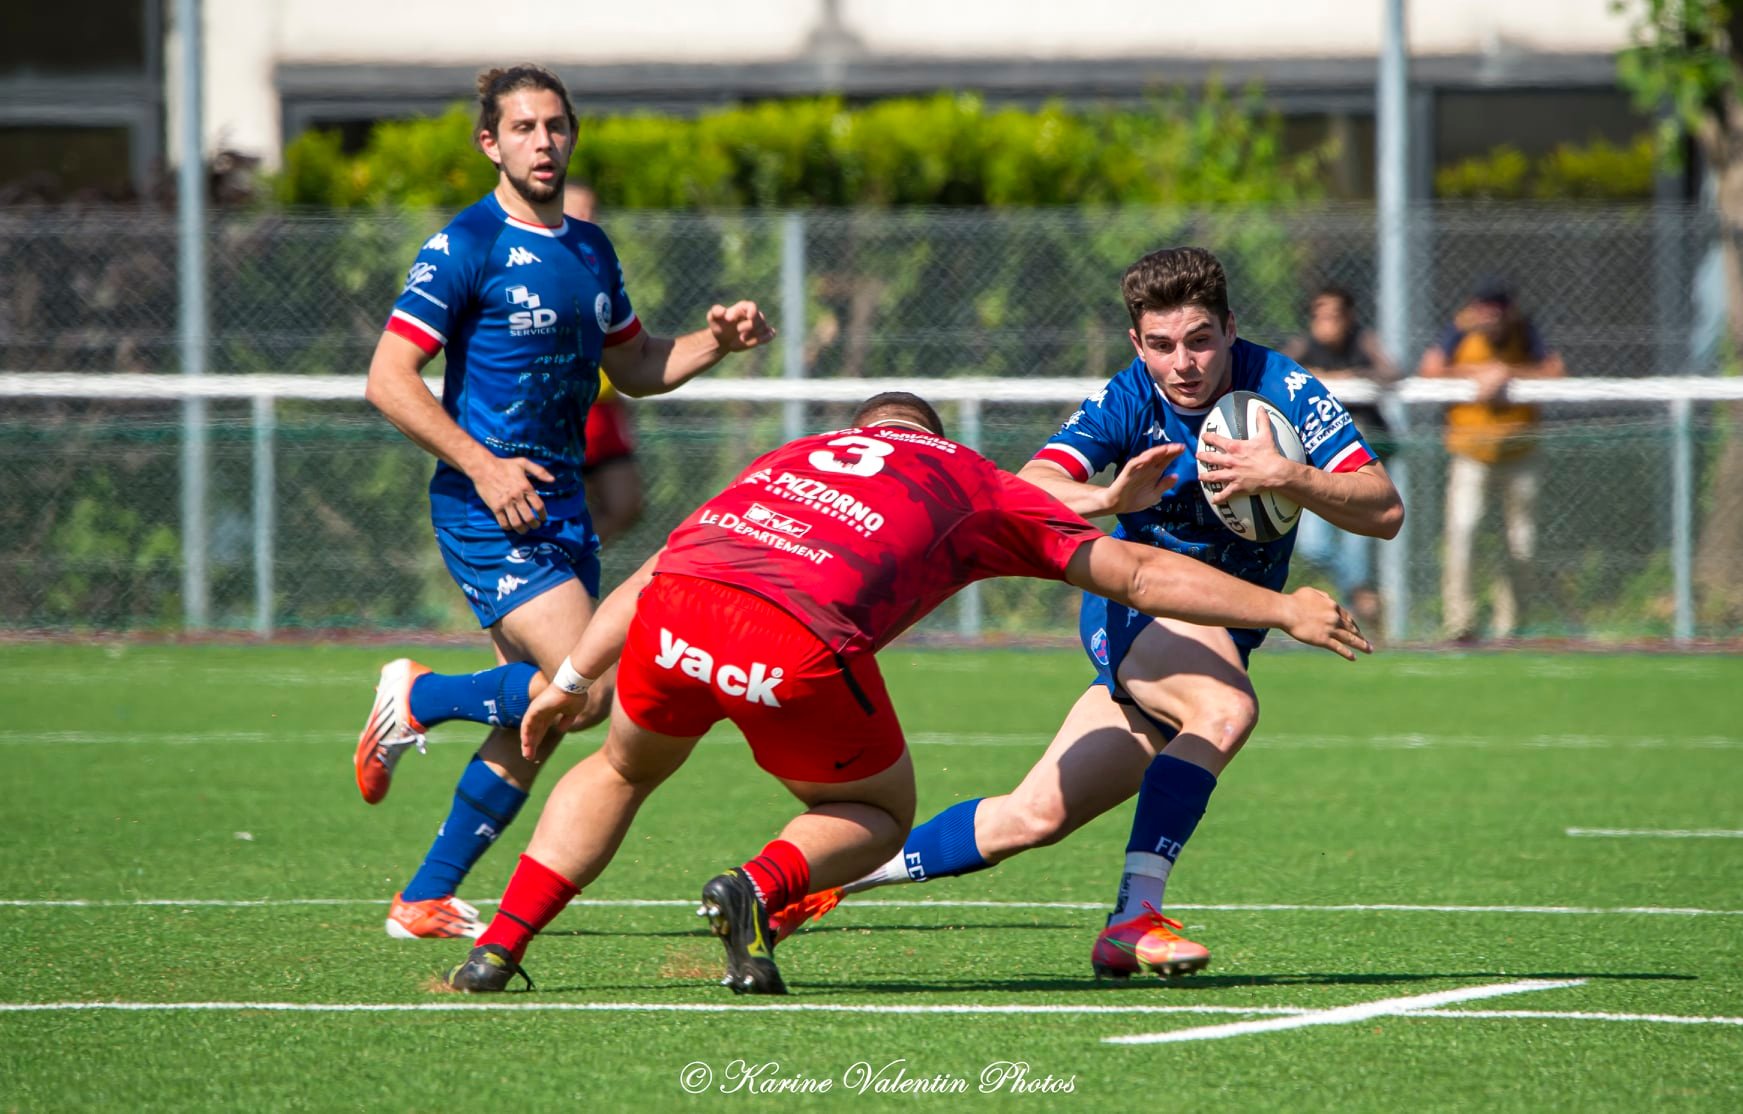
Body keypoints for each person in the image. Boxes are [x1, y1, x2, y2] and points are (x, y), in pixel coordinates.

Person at [439, 391, 1370, 993]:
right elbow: (1130, 574)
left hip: (677, 613)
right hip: (793, 639)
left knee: (620, 767)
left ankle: (500, 947)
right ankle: (758, 889)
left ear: (861, 429)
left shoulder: (792, 454)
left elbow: (658, 567)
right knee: (877, 810)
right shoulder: (965, 475)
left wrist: (569, 680)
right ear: (931, 437)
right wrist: (1280, 607)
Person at [767, 247, 1405, 980]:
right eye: (1161, 346)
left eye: (1199, 340)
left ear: (1230, 329)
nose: (1183, 364)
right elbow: (1025, 489)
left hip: (1221, 629)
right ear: (1137, 344)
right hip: (1133, 611)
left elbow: (1383, 507)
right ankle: (1134, 917)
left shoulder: (1283, 386)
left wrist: (1285, 474)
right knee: (1224, 709)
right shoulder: (1128, 397)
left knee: (1030, 817)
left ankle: (811, 886)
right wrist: (1106, 500)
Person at [352, 64, 773, 941]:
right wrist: (483, 466)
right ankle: (421, 698)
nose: (543, 142)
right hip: (489, 509)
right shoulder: (465, 243)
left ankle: (423, 897)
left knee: (543, 713)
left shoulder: (588, 246)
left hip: (561, 509)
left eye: (555, 126)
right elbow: (388, 379)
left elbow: (637, 367)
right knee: (591, 692)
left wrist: (717, 343)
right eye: (523, 128)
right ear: (490, 143)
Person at [1418, 279, 1564, 643]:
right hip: (1471, 454)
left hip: (1521, 453)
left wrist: (1506, 372)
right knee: (1463, 533)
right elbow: (1430, 370)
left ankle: (1511, 626)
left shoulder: (1525, 332)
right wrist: (1478, 374)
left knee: (1521, 544)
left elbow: (1555, 372)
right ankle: (1460, 624)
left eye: (1496, 310)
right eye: (1482, 309)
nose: (1489, 317)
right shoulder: (1459, 332)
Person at [1281, 285, 1400, 629]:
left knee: (1357, 542)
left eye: (1334, 314)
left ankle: (1360, 619)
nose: (1326, 322)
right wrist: (1320, 380)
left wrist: (1354, 378)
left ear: (1348, 317)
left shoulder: (1362, 342)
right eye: (1319, 314)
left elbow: (1391, 373)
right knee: (1314, 545)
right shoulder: (1304, 347)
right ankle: (1361, 593)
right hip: (1316, 463)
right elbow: (1276, 370)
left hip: (1360, 459)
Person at [564, 182, 646, 544]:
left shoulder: (601, 266)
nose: (585, 218)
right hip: (564, 410)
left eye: (590, 211)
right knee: (560, 507)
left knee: (625, 504)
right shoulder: (536, 268)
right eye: (575, 210)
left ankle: (569, 557)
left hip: (605, 409)